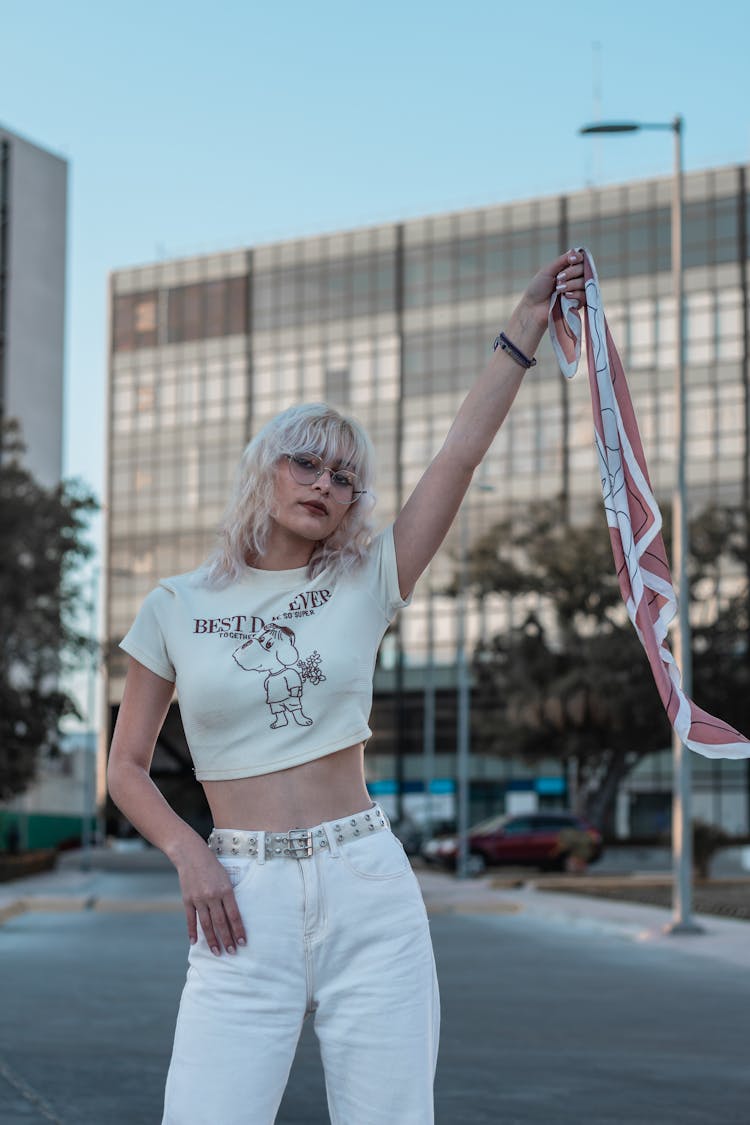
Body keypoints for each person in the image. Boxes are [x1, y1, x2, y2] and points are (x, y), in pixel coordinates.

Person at [107, 248, 585, 1125]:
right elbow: (126, 767)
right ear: (266, 468)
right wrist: (190, 854)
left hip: (366, 881)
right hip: (239, 896)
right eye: (306, 463)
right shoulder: (175, 605)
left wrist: (524, 324)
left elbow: (457, 457)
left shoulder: (366, 580)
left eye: (343, 477)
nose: (324, 484)